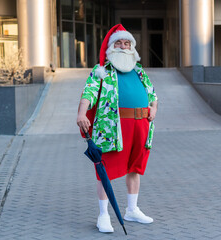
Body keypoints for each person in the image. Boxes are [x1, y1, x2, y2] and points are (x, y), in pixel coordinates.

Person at [76, 24, 158, 233]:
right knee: (106, 169)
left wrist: (154, 107)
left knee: (135, 168)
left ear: (132, 47)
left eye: (127, 43)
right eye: (119, 43)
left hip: (140, 125)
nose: (123, 46)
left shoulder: (139, 71)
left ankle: (132, 209)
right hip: (113, 128)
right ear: (112, 47)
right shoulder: (102, 70)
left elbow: (152, 93)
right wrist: (81, 112)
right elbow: (89, 92)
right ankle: (103, 215)